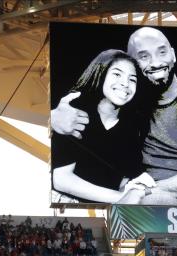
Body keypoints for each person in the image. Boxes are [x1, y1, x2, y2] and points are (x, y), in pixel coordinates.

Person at [51, 26, 177, 208]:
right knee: (156, 204)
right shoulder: (129, 106)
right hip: (160, 197)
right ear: (133, 64)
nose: (156, 62)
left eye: (162, 52)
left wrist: (139, 191)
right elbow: (97, 144)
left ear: (173, 55)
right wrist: (52, 119)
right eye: (144, 56)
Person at [51, 49, 148, 203]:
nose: (125, 83)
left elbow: (123, 179)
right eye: (117, 74)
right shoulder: (74, 112)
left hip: (105, 209)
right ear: (100, 73)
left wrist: (135, 191)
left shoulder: (133, 127)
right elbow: (61, 179)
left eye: (132, 79)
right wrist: (120, 199)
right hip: (67, 203)